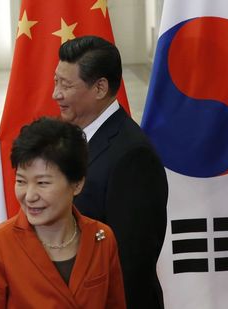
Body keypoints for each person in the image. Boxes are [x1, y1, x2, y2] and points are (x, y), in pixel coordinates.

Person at [53, 35, 168, 309]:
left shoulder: (132, 155)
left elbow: (131, 263)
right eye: (56, 81)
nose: (55, 94)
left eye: (66, 85)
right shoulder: (71, 138)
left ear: (100, 88)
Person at [0, 117, 126, 308]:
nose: (30, 196)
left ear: (77, 184)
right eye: (21, 181)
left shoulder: (101, 238)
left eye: (42, 183)